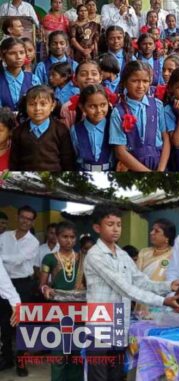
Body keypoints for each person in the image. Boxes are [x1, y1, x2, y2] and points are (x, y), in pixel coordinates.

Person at [84, 204, 179, 381]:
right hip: (100, 322)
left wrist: (170, 286)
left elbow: (141, 280)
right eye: (110, 224)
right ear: (97, 227)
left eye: (119, 224)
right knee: (99, 377)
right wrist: (163, 301)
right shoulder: (95, 255)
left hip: (119, 321)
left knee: (116, 375)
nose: (116, 229)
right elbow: (125, 288)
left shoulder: (123, 254)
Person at [38, 221, 85, 381]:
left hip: (80, 310)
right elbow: (42, 284)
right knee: (58, 351)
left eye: (72, 237)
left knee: (76, 351)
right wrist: (46, 290)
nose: (69, 240)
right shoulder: (49, 258)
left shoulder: (83, 259)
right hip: (58, 310)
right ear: (57, 237)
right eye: (64, 237)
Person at [0, 206, 39, 377]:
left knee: (22, 324)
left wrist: (1, 259)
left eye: (29, 219)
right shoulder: (4, 236)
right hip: (3, 283)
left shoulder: (33, 242)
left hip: (23, 285)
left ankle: (21, 362)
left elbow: (18, 260)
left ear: (33, 222)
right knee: (4, 322)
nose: (25, 221)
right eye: (23, 217)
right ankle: (6, 358)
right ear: (17, 217)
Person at [10, 85, 76, 170]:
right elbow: (14, 163)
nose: (37, 108)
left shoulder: (61, 130)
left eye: (43, 104)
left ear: (52, 106)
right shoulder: (18, 132)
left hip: (54, 178)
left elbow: (67, 161)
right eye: (32, 104)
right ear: (26, 106)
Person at [134, 218, 176, 318]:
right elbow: (136, 277)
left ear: (167, 237)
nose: (151, 233)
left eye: (156, 231)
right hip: (143, 300)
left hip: (164, 303)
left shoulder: (175, 254)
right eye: (152, 230)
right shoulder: (144, 252)